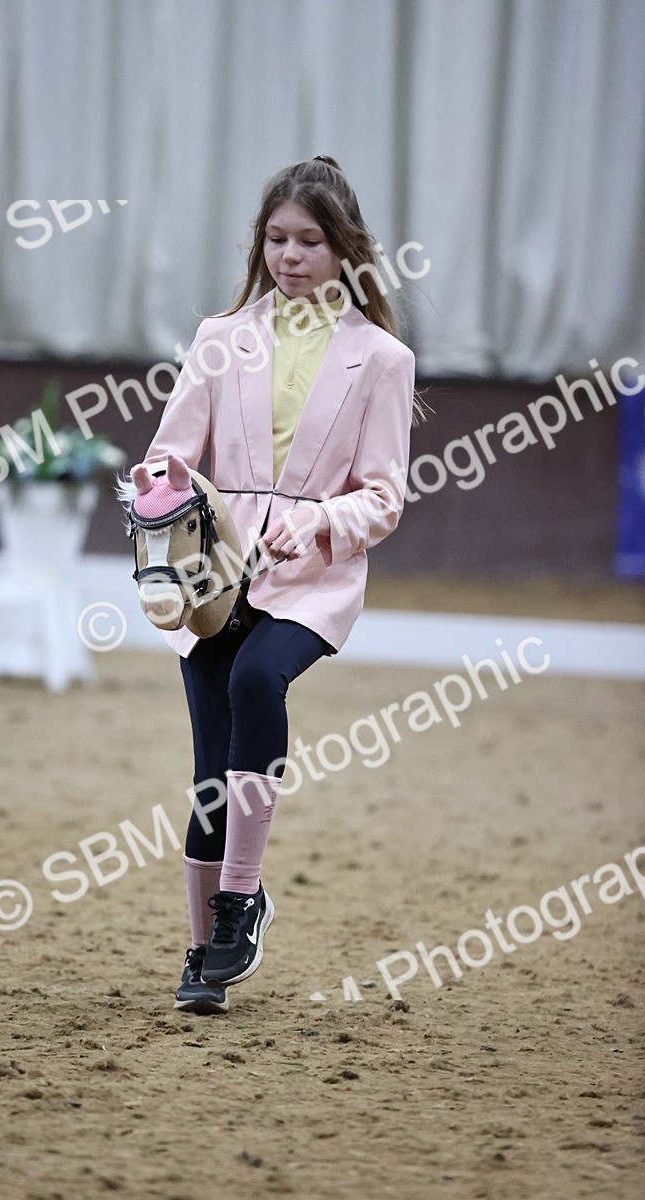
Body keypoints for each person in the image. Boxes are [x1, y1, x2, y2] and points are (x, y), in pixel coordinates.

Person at [131, 155, 420, 1015]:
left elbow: (385, 497)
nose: (290, 255)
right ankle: (202, 958)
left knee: (260, 678)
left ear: (344, 249)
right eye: (277, 238)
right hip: (215, 574)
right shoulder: (223, 339)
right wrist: (160, 505)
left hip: (313, 577)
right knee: (210, 770)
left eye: (310, 241)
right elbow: (168, 456)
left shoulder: (384, 358)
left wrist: (322, 520)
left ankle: (242, 898)